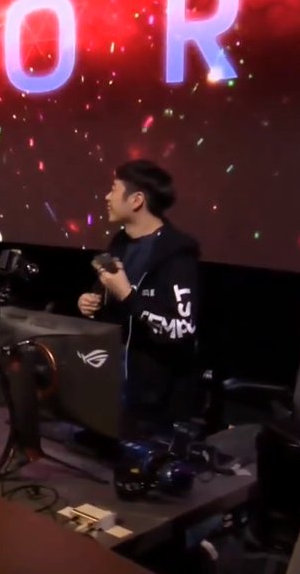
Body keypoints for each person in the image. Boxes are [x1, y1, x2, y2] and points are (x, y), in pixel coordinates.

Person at [78, 159, 202, 430]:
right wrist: (92, 303)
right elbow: (110, 298)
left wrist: (127, 294)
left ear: (136, 200)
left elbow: (182, 328)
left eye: (113, 189)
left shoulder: (176, 253)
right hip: (111, 384)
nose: (107, 197)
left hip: (155, 402)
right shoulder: (119, 243)